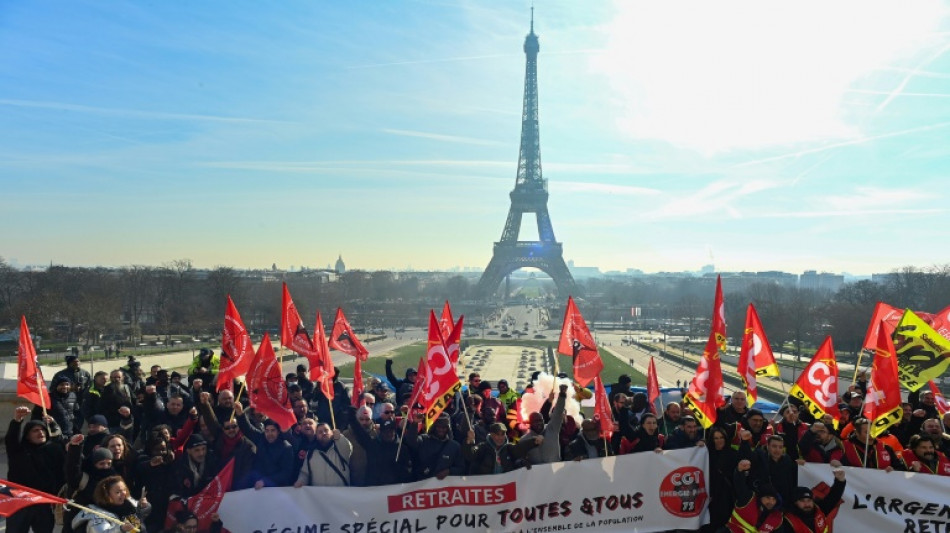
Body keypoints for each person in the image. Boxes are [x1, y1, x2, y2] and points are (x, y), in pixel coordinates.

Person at [5, 406, 66, 533]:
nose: (41, 433)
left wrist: (54, 424)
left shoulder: (53, 450)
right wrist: (17, 420)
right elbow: (11, 439)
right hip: (18, 501)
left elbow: (62, 446)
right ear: (27, 436)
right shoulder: (19, 451)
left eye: (43, 430)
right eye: (35, 430)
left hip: (43, 501)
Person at [781, 462, 847, 533]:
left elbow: (834, 497)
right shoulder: (788, 521)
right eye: (802, 500)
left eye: (809, 500)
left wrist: (840, 481)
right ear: (795, 502)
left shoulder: (819, 509)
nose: (807, 504)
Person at [72, 475, 150, 533]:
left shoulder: (129, 505)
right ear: (107, 495)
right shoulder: (97, 515)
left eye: (124, 490)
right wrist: (121, 529)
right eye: (118, 492)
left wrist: (143, 506)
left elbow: (142, 516)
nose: (123, 494)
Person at [726, 459, 784, 533]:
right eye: (768, 498)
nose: (771, 502)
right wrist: (739, 471)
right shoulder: (748, 499)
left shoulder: (777, 518)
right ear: (760, 497)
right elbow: (739, 485)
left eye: (774, 499)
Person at [522, 384, 569, 465]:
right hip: (536, 474)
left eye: (540, 420)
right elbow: (519, 457)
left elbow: (558, 413)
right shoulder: (524, 440)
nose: (539, 423)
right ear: (530, 423)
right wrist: (522, 462)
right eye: (535, 421)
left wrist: (562, 395)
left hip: (554, 472)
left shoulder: (552, 429)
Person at [294, 423, 353, 487]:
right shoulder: (310, 454)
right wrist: (301, 481)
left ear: (331, 432)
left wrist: (340, 437)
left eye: (326, 430)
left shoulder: (340, 449)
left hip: (341, 494)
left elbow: (348, 447)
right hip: (320, 495)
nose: (324, 433)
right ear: (316, 436)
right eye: (320, 432)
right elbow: (305, 474)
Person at [464, 422, 533, 475]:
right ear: (491, 435)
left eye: (502, 434)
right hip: (486, 488)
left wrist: (521, 463)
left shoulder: (509, 448)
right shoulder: (482, 447)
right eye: (497, 434)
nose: (500, 438)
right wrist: (469, 442)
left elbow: (518, 452)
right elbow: (470, 454)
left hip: (504, 488)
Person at [750, 435, 799, 505]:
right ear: (768, 446)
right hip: (767, 502)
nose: (777, 450)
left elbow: (791, 480)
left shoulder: (787, 460)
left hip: (785, 500)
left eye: (780, 447)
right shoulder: (760, 460)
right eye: (774, 446)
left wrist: (798, 465)